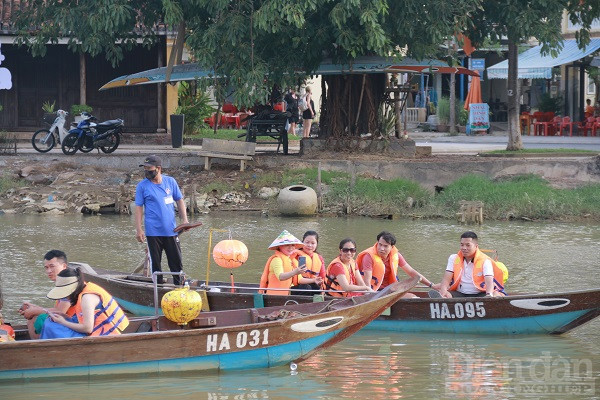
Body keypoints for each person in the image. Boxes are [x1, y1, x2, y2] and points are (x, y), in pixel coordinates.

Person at [135, 155, 189, 285]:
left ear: (158, 168)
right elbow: (139, 208)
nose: (147, 171)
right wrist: (139, 229)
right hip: (153, 233)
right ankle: (157, 290)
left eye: (149, 168)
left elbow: (179, 200)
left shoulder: (170, 182)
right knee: (156, 266)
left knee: (176, 263)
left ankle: (179, 287)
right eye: (145, 168)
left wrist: (185, 221)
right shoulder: (142, 186)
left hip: (171, 231)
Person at [42, 267, 129, 338]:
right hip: (96, 331)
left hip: (108, 336)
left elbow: (88, 328)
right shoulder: (84, 290)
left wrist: (63, 322)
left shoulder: (87, 298)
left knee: (51, 326)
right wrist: (65, 317)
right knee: (50, 322)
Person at [356, 231, 438, 298]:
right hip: (373, 292)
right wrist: (369, 297)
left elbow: (411, 272)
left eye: (385, 246)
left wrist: (431, 285)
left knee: (413, 297)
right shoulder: (369, 256)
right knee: (411, 298)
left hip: (390, 290)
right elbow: (367, 281)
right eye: (380, 244)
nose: (381, 248)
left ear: (392, 247)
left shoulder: (396, 255)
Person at [18, 250, 73, 339]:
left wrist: (35, 311)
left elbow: (61, 311)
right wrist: (33, 308)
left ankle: (40, 349)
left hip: (74, 324)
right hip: (66, 321)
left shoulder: (69, 283)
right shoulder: (61, 283)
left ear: (64, 266)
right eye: (46, 267)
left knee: (36, 320)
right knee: (33, 318)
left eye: (52, 266)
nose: (49, 271)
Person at [437, 231, 506, 298]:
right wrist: (443, 292)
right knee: (446, 295)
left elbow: (489, 281)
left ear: (476, 246)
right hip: (460, 293)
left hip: (480, 293)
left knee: (495, 294)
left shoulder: (485, 261)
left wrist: (489, 295)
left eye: (468, 245)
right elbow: (446, 278)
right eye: (462, 245)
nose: (464, 248)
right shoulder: (453, 258)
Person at [259, 230, 307, 295]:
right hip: (274, 296)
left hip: (284, 294)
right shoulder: (277, 259)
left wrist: (314, 280)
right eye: (287, 245)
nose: (290, 248)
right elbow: (280, 277)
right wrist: (295, 272)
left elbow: (300, 279)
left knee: (310, 286)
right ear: (280, 246)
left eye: (293, 245)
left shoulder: (291, 260)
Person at [291, 230, 326, 296]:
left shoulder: (319, 258)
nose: (309, 245)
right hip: (296, 286)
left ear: (316, 244)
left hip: (312, 283)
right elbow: (298, 279)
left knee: (317, 288)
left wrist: (320, 282)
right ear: (302, 242)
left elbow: (323, 276)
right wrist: (313, 280)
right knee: (306, 287)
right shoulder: (295, 255)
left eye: (313, 243)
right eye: (307, 242)